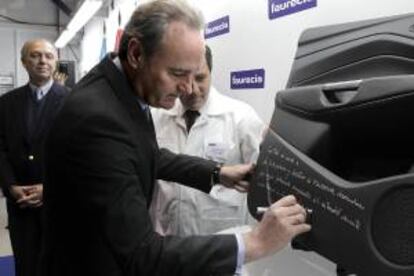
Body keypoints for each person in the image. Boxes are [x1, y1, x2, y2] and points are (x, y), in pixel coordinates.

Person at [40, 1, 311, 276]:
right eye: (178, 74)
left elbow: (147, 155)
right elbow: (140, 254)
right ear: (135, 54)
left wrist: (218, 173)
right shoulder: (98, 119)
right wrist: (253, 243)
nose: (188, 89)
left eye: (196, 75)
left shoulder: (125, 93)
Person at [150, 45, 265, 236]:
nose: (192, 89)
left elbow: (261, 184)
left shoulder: (241, 117)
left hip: (220, 242)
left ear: (211, 72)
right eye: (182, 77)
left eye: (200, 78)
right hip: (165, 240)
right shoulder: (157, 116)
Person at [0, 39, 69, 276]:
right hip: (20, 205)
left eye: (48, 56)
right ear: (23, 62)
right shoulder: (6, 103)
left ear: (55, 62)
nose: (42, 61)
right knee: (26, 265)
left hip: (58, 204)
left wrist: (49, 187)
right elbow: (0, 151)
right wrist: (10, 186)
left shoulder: (74, 102)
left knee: (59, 264)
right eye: (35, 55)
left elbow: (78, 155)